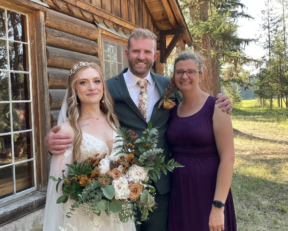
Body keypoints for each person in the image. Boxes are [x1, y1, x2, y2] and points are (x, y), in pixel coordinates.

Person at [44, 29, 233, 231]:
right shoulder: (105, 88)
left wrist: (221, 102)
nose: (141, 57)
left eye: (147, 51)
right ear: (127, 53)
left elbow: (193, 104)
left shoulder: (169, 86)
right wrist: (54, 139)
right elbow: (85, 118)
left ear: (155, 55)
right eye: (135, 51)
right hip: (115, 189)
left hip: (163, 187)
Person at [43, 62, 136, 231]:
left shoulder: (112, 120)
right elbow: (59, 186)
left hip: (118, 212)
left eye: (97, 81)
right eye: (83, 82)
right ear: (74, 89)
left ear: (103, 86)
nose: (92, 87)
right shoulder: (67, 129)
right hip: (85, 217)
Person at [166, 52, 236, 231]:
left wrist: (218, 206)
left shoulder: (217, 107)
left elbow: (228, 158)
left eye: (191, 71)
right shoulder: (172, 110)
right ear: (174, 76)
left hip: (208, 191)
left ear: (200, 75)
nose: (185, 76)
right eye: (180, 72)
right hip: (179, 193)